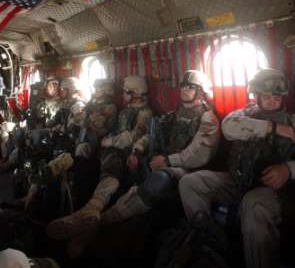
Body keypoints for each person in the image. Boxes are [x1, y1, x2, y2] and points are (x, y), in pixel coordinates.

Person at [179, 68, 295, 268]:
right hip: (238, 181)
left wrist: (287, 169)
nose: (272, 103)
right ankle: (209, 242)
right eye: (266, 97)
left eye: (276, 98)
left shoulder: (291, 121)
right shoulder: (246, 114)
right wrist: (272, 128)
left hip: (274, 190)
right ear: (256, 96)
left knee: (253, 204)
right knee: (190, 182)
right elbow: (228, 127)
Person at [96, 70, 220, 227]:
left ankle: (109, 218)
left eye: (190, 87)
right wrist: (137, 150)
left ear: (201, 92)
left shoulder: (208, 118)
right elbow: (152, 133)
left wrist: (168, 161)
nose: (184, 89)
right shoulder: (175, 114)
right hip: (166, 160)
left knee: (160, 178)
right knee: (132, 167)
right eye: (183, 85)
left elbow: (198, 154)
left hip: (188, 169)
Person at [47, 75, 152, 241]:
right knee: (76, 158)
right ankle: (46, 182)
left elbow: (134, 136)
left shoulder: (145, 113)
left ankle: (91, 208)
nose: (123, 95)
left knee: (111, 164)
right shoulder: (125, 110)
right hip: (106, 147)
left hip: (122, 152)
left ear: (137, 93)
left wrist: (109, 140)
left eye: (126, 92)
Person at [75, 78, 117, 160]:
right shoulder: (92, 103)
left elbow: (106, 128)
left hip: (100, 139)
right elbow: (79, 117)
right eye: (95, 88)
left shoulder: (110, 107)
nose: (96, 90)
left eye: (99, 88)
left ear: (106, 90)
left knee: (81, 149)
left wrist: (89, 122)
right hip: (86, 135)